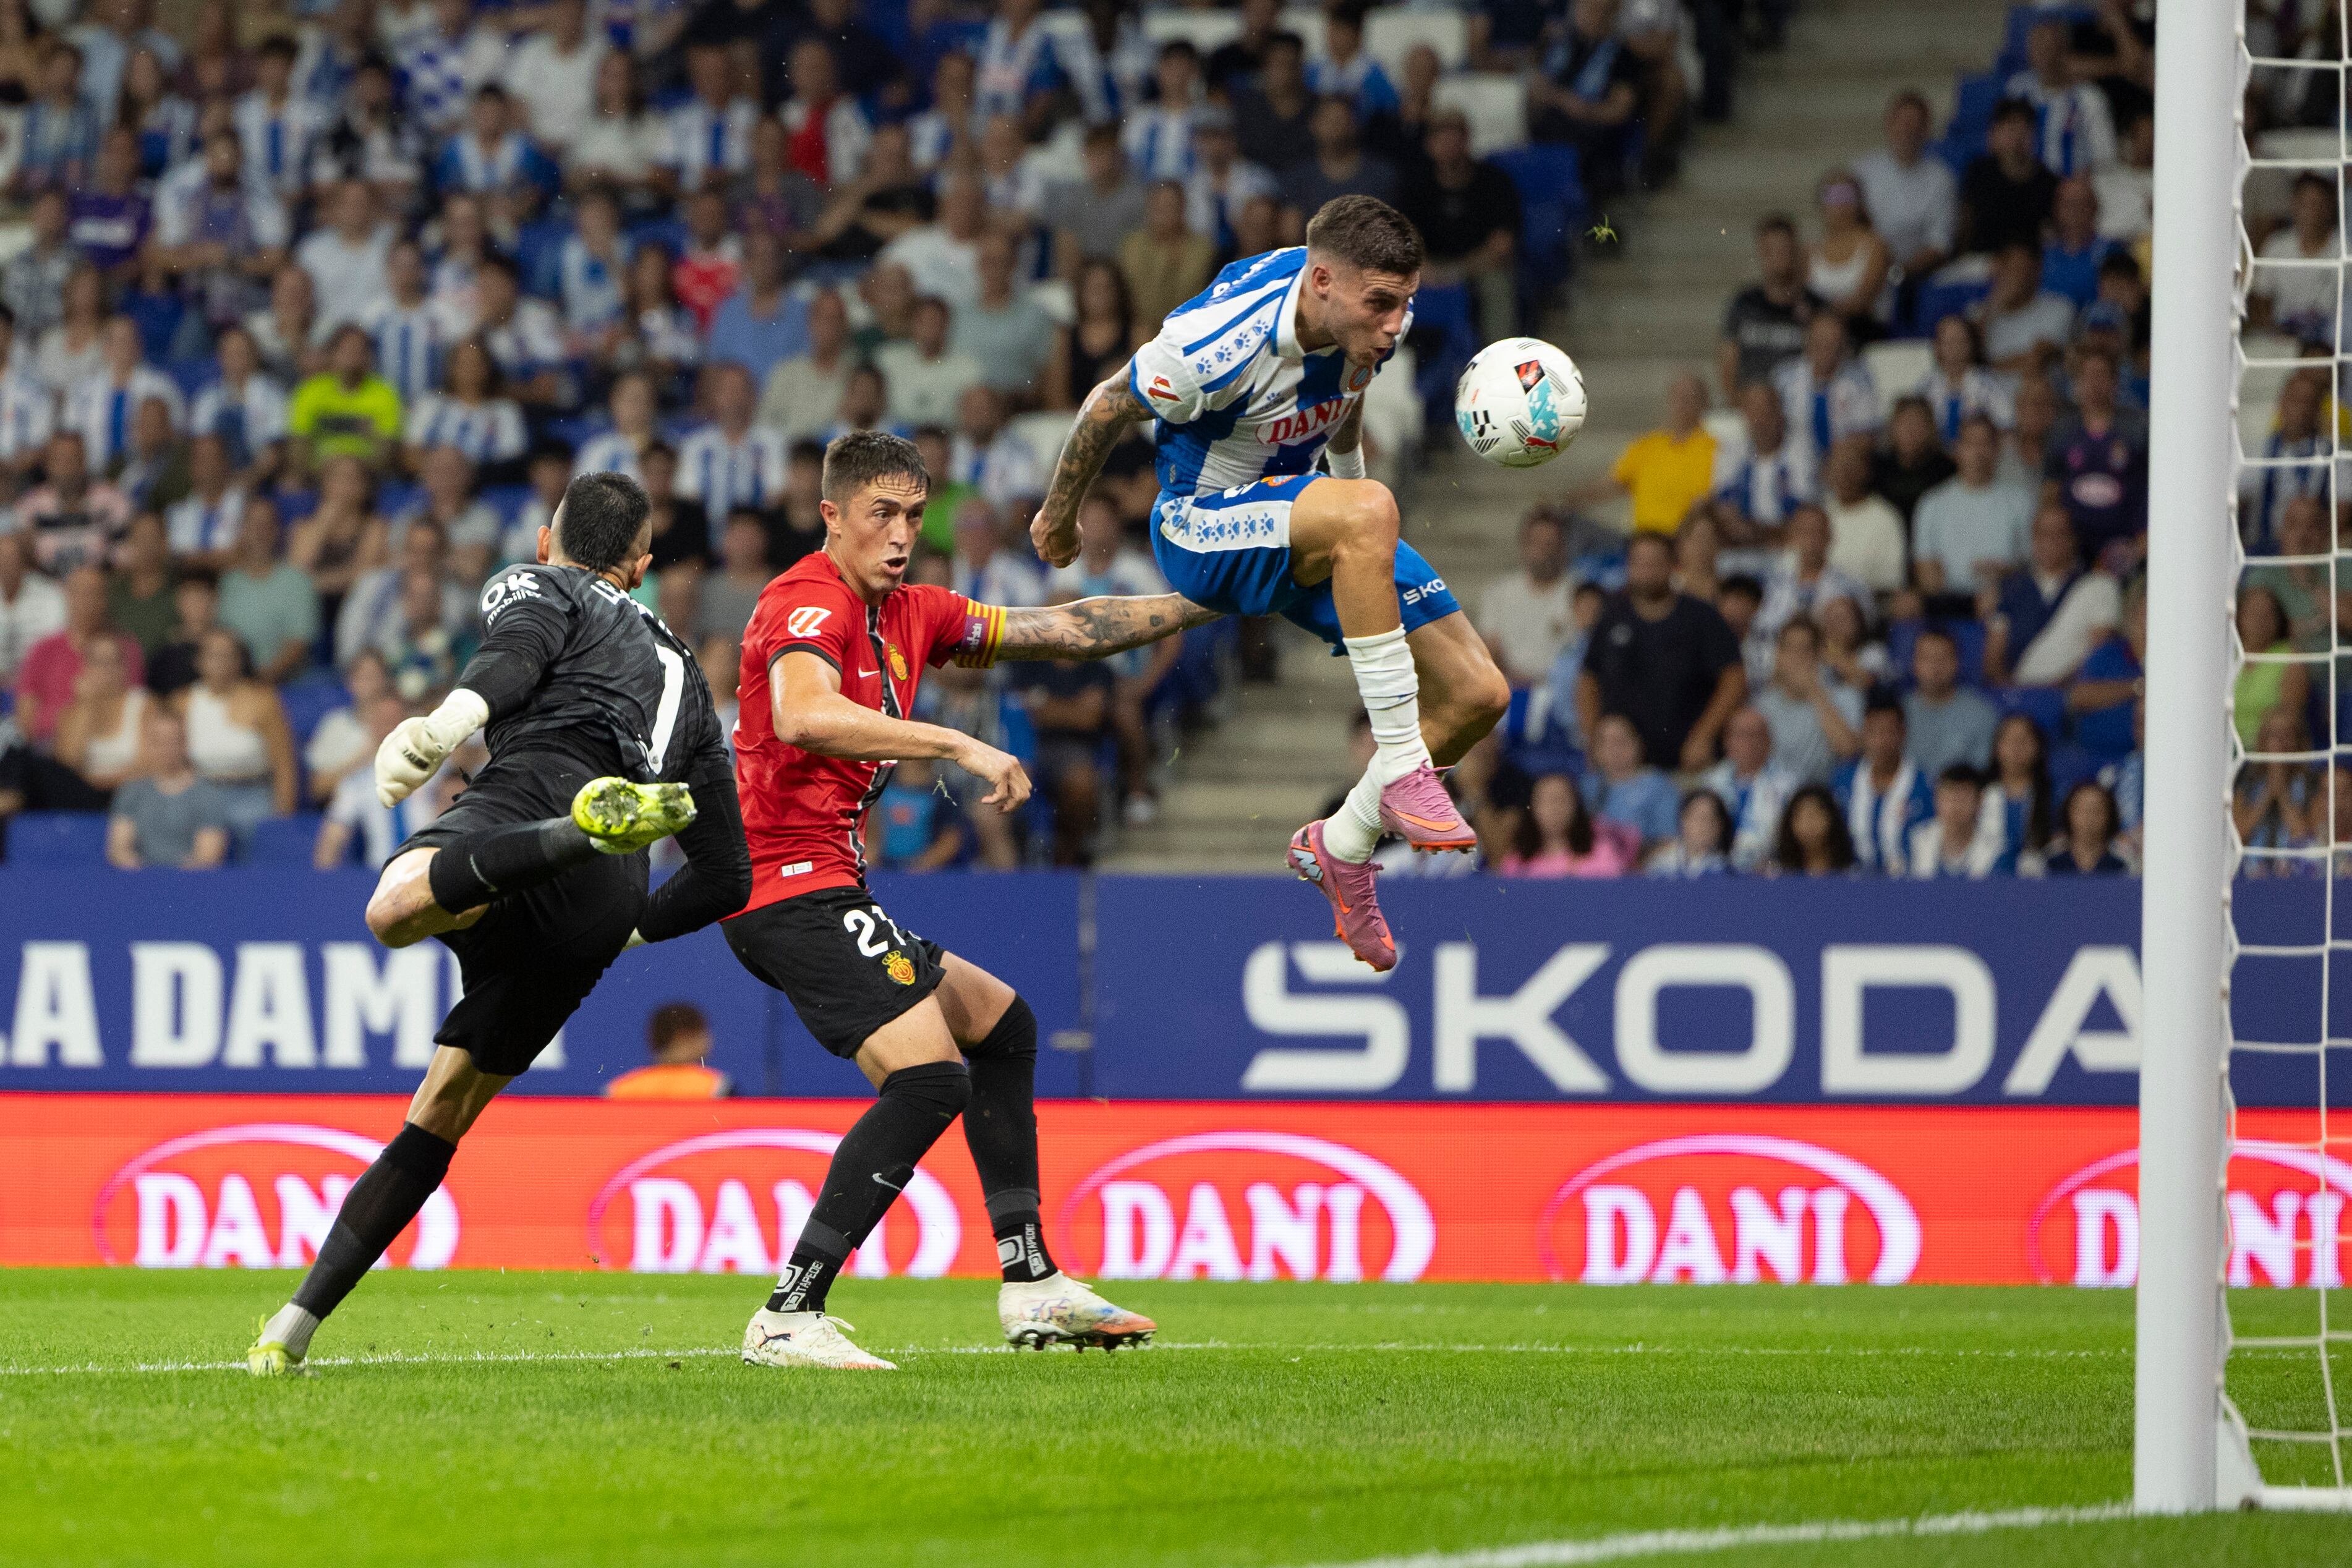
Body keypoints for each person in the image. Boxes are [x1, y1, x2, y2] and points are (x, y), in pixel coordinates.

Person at [723, 431, 1217, 1370]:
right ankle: (790, 1313)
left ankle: (1031, 1282)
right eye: (881, 514)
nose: (903, 533)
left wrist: (1208, 600)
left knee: (1003, 1026)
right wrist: (951, 743)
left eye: (914, 514)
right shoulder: (804, 599)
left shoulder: (915, 610)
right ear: (833, 516)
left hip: (829, 882)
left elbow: (1066, 629)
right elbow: (799, 712)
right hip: (780, 887)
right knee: (931, 1077)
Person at [248, 473, 752, 1378]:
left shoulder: (542, 580)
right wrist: (627, 928)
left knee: (393, 907)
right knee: (442, 1112)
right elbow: (725, 877)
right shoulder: (693, 682)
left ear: (547, 536)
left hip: (533, 796)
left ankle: (294, 1320)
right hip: (607, 898)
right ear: (640, 567)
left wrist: (440, 731)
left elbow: (517, 655)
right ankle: (292, 1326)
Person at [1027, 195, 1508, 974]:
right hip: (1200, 526)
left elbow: (1344, 399)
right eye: (1382, 305)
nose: (1395, 325)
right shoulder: (1211, 345)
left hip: (1296, 512)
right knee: (1370, 511)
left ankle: (1342, 844)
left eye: (1406, 304)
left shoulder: (1373, 315)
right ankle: (1403, 765)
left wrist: (1360, 523)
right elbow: (1105, 404)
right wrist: (1057, 518)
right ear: (1321, 281)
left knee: (1480, 695)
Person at [1578, 530, 1746, 770]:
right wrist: (1593, 738)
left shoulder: (1701, 617)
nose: (1646, 570)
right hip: (1624, 769)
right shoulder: (1612, 615)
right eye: (1639, 562)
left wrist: (1704, 736)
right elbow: (1588, 679)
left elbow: (1734, 678)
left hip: (1685, 763)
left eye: (1654, 562)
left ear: (1672, 566)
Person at [1560, 370, 1714, 537]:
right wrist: (1565, 501)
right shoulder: (1647, 445)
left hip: (1680, 540)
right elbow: (1612, 485)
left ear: (1704, 404)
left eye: (1689, 399)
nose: (1682, 406)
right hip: (1640, 541)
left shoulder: (1713, 448)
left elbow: (1704, 502)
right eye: (1678, 398)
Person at [1849, 91, 1954, 302]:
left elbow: (1939, 244)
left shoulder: (1941, 178)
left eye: (1915, 124)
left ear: (1926, 130)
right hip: (1862, 268)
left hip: (1912, 276)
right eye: (1902, 122)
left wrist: (1898, 271)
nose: (1908, 131)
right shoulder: (1860, 170)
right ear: (1889, 124)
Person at [1913, 415, 2032, 600]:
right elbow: (1925, 568)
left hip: (2005, 600)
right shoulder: (1933, 503)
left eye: (1985, 444)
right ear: (1957, 449)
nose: (1978, 452)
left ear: (1997, 449)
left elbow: (2033, 565)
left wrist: (2007, 575)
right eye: (1970, 443)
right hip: (1948, 604)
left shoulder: (2020, 502)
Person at [106, 706, 230, 869]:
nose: (166, 749)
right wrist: (138, 872)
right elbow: (119, 848)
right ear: (149, 744)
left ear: (185, 743)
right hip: (139, 882)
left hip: (190, 883)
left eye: (173, 741)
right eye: (159, 741)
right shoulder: (132, 791)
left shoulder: (208, 795)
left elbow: (207, 857)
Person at [1718, 213, 1824, 398]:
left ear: (1796, 251)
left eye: (1784, 250)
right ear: (1761, 253)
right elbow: (1728, 362)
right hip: (1754, 408)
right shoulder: (1743, 305)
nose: (1778, 257)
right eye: (1771, 251)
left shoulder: (1816, 306)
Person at [1476, 509, 1577, 689]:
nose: (1544, 552)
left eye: (1550, 544)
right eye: (1536, 544)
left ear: (1562, 547)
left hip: (1560, 691)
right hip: (1509, 689)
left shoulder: (1578, 593)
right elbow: (1490, 648)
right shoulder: (1498, 593)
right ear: (1523, 546)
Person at [1834, 697, 1933, 876]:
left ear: (1903, 733)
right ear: (1864, 734)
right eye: (1874, 732)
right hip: (1851, 888)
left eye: (1889, 732)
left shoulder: (1926, 787)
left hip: (1908, 887)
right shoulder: (1842, 782)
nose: (1882, 741)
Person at [1697, 704, 1797, 871]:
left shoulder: (1789, 786)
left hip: (1770, 871)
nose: (1748, 742)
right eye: (1740, 735)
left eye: (1756, 735)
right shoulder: (1710, 784)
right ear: (1727, 741)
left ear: (1769, 741)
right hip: (1714, 873)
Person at [1902, 626, 1998, 778]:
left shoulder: (1981, 712)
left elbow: (1979, 773)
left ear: (1956, 663)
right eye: (1927, 658)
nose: (1935, 666)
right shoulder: (1899, 711)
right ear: (1915, 664)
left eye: (1943, 658)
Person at [1500, 770, 1635, 877]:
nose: (1555, 809)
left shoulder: (1602, 855)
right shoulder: (1515, 864)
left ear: (1576, 807)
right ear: (1532, 808)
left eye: (1562, 800)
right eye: (1546, 801)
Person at [605, 1002, 734, 1099]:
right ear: (684, 1036)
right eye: (703, 1032)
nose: (709, 1039)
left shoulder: (619, 1089)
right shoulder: (718, 1086)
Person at [1910, 764, 1995, 879]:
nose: (1955, 806)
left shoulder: (1996, 850)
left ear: (1979, 801)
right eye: (1949, 798)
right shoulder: (1916, 841)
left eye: (1963, 799)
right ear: (1937, 799)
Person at [2048, 779, 2131, 876]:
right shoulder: (2048, 862)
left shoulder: (2125, 864)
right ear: (2068, 814)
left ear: (2109, 816)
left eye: (2096, 810)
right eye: (2082, 810)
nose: (2089, 818)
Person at [1771, 784, 1856, 876]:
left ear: (1832, 818)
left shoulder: (1852, 874)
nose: (1808, 824)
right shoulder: (1777, 874)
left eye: (1814, 815)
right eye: (1801, 817)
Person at [1647, 788, 1734, 877]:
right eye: (1697, 817)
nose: (1703, 825)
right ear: (1683, 820)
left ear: (1720, 826)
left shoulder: (1727, 870)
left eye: (1709, 818)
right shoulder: (1662, 864)